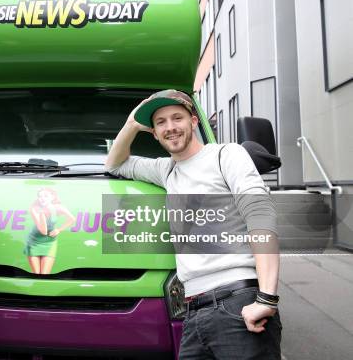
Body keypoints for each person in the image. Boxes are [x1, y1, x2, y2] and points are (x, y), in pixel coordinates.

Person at [105, 90, 281, 359]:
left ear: (194, 122)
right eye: (161, 122)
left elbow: (260, 214)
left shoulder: (226, 155)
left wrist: (267, 298)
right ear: (154, 133)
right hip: (194, 312)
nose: (170, 127)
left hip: (237, 302)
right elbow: (115, 164)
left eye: (177, 118)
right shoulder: (166, 171)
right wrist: (131, 124)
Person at [24, 188, 75, 274]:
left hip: (50, 242)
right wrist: (42, 215)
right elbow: (43, 231)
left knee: (45, 274)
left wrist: (59, 230)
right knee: (36, 274)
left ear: (53, 197)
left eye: (45, 196)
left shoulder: (58, 208)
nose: (42, 198)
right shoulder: (35, 209)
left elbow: (72, 219)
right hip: (34, 242)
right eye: (40, 196)